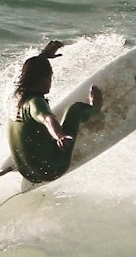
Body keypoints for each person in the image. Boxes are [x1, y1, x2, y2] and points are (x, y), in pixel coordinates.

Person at [7, 39, 103, 183]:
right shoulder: (35, 102)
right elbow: (47, 119)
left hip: (27, 173)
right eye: (50, 77)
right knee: (75, 109)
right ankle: (95, 110)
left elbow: (32, 69)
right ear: (43, 79)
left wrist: (44, 56)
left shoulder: (15, 99)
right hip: (52, 170)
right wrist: (60, 136)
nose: (51, 81)